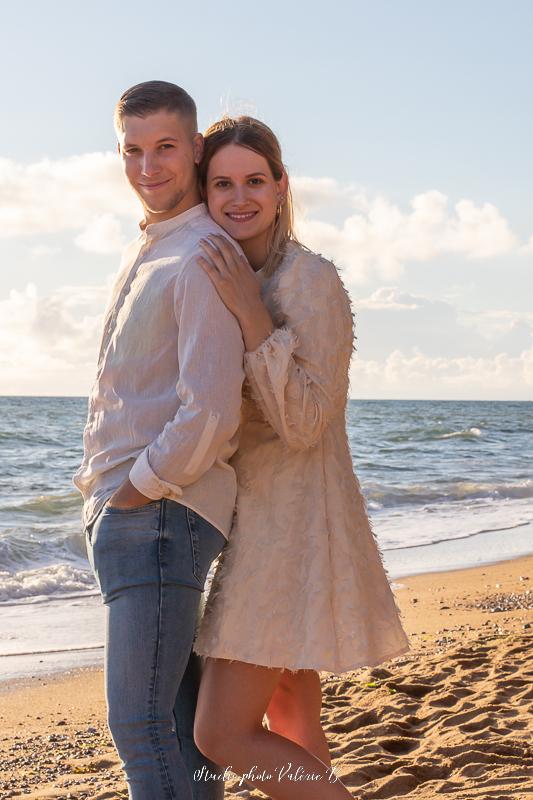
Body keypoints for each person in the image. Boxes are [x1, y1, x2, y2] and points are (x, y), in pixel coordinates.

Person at [191, 116, 411, 799]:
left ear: (281, 187)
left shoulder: (308, 278)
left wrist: (251, 317)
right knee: (288, 717)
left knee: (219, 735)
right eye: (222, 183)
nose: (238, 198)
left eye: (254, 181)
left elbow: (310, 422)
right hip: (253, 519)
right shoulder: (231, 271)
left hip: (288, 534)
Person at [73, 81, 246, 800]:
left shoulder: (200, 254)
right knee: (177, 729)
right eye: (133, 150)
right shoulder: (152, 248)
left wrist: (134, 493)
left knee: (140, 727)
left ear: (195, 147)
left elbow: (208, 410)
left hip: (158, 518)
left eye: (166, 147)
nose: (149, 167)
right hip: (144, 518)